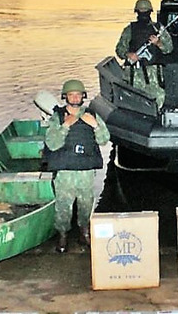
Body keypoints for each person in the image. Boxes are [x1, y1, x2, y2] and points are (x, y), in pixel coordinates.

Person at [44, 79, 110, 253]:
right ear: (65, 96)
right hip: (65, 171)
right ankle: (63, 236)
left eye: (78, 94)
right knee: (63, 206)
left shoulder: (92, 115)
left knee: (86, 204)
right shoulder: (57, 118)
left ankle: (84, 232)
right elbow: (52, 143)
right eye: (71, 94)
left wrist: (94, 125)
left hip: (85, 171)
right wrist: (66, 125)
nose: (74, 98)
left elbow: (104, 139)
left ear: (83, 96)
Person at [115, 0, 173, 109]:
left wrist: (158, 43)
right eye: (141, 11)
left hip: (153, 72)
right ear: (137, 12)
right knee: (134, 99)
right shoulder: (129, 29)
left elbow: (169, 49)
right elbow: (119, 50)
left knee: (158, 97)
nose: (143, 13)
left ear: (150, 12)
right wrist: (128, 54)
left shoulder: (158, 28)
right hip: (134, 72)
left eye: (145, 11)